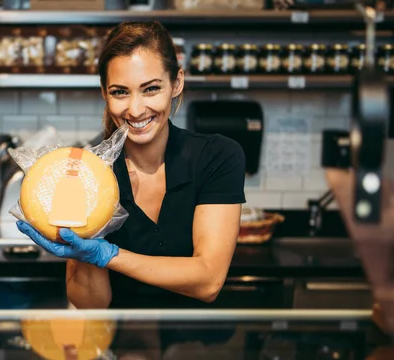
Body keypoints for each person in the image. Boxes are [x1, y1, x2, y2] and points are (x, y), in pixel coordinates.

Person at [16, 20, 246, 310]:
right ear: (104, 93)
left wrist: (108, 255)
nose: (136, 110)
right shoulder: (87, 175)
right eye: (120, 92)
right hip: (124, 347)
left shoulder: (217, 156)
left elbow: (208, 282)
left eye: (150, 89)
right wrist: (84, 242)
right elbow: (91, 305)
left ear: (177, 83)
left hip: (197, 350)